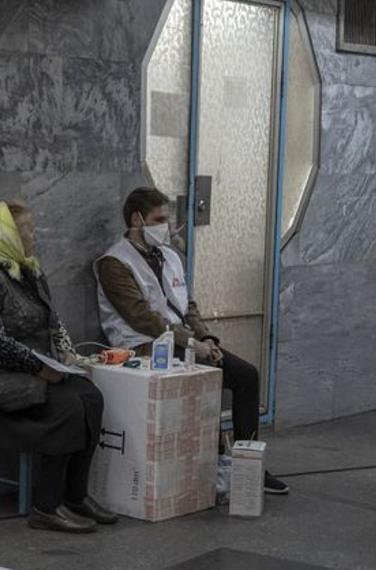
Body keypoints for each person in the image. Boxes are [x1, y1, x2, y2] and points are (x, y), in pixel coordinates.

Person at [95, 187, 289, 495]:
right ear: (136, 219)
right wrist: (192, 345)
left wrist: (206, 337)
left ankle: (248, 467)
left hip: (183, 341)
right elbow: (143, 318)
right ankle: (207, 468)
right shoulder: (114, 263)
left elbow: (188, 305)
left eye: (168, 220)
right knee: (208, 375)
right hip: (145, 345)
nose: (167, 228)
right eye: (159, 219)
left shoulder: (170, 256)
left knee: (246, 375)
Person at [0, 201, 114, 534]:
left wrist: (68, 356)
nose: (33, 235)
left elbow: (52, 321)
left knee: (90, 397)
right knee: (67, 407)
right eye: (27, 228)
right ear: (7, 233)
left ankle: (75, 495)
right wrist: (38, 368)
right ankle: (46, 506)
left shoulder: (27, 271)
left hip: (32, 367)